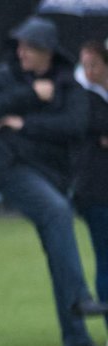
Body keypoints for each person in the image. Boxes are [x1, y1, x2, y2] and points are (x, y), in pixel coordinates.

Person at [0, 16, 104, 346]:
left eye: (29, 47)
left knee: (58, 236)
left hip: (53, 175)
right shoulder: (5, 78)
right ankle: (80, 299)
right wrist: (29, 95)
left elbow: (73, 126)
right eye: (20, 45)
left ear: (48, 51)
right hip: (13, 170)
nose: (21, 52)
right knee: (57, 212)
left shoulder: (69, 85)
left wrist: (23, 124)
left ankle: (77, 339)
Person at [74, 39, 108, 328]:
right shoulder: (84, 99)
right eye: (84, 65)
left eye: (93, 65)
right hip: (96, 193)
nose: (88, 71)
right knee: (106, 257)